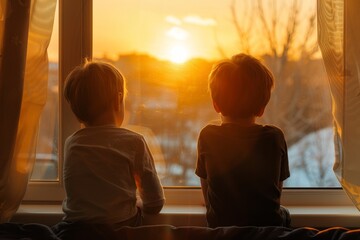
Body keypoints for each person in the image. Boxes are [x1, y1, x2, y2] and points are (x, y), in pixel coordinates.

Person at [61, 60, 165, 228]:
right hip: (120, 229)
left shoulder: (72, 143)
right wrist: (140, 204)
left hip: (74, 231)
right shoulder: (134, 142)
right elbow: (155, 203)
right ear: (118, 100)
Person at [195, 53, 291, 228]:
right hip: (267, 230)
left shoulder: (208, 136)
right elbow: (276, 192)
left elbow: (207, 190)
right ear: (262, 108)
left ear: (215, 105)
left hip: (222, 228)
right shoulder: (274, 137)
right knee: (284, 213)